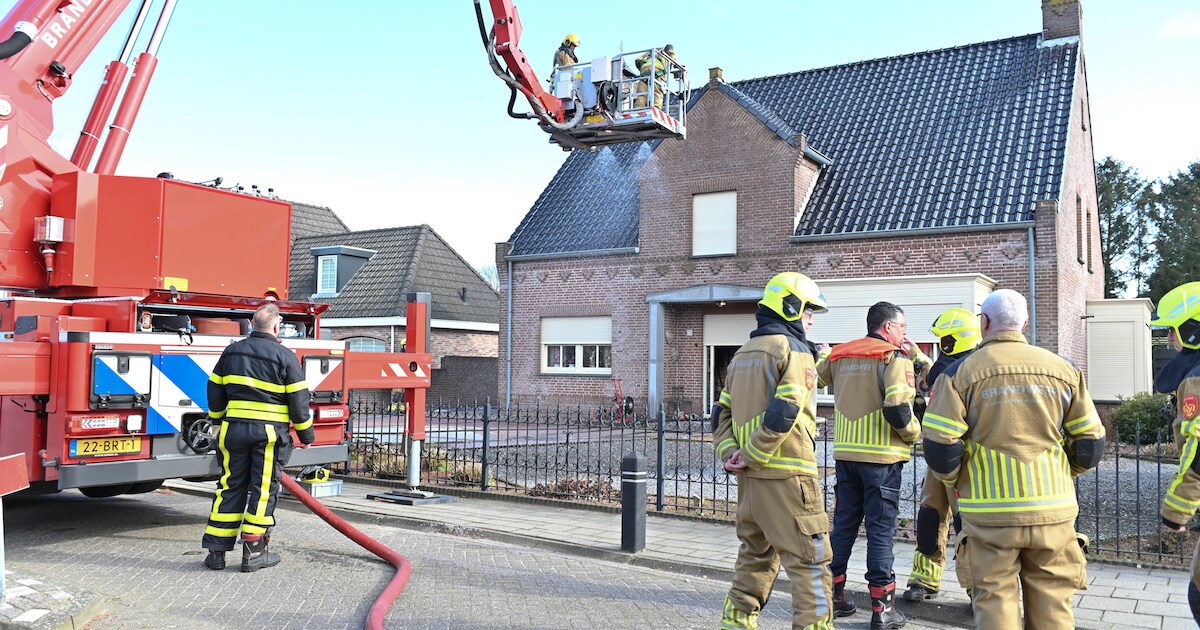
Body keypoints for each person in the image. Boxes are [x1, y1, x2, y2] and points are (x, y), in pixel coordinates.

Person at [923, 289, 1104, 629]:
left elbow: (939, 447)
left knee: (994, 605)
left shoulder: (959, 374)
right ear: (1025, 323)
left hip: (989, 516)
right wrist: (1062, 472)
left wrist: (956, 481)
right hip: (1054, 513)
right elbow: (1091, 444)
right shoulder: (1064, 371)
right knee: (1054, 610)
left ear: (984, 323)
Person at [714, 272, 835, 630]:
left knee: (754, 557)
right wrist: (751, 454)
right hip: (788, 480)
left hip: (749, 484)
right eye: (809, 309)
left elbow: (720, 413)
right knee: (810, 562)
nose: (811, 318)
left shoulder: (741, 354)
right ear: (791, 307)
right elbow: (786, 410)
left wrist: (731, 454)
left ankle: (735, 623)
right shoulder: (792, 350)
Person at [817, 301, 925, 629]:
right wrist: (914, 435)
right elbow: (897, 407)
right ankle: (883, 609)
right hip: (881, 458)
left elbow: (820, 376)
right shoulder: (893, 358)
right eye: (902, 328)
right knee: (880, 531)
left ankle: (834, 597)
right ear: (888, 327)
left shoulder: (841, 353)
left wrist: (824, 353)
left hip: (846, 455)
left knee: (844, 526)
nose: (905, 334)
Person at [201, 303, 314, 572]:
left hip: (232, 431)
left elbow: (215, 389)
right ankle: (253, 552)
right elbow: (299, 400)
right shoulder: (285, 356)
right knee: (262, 490)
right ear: (276, 327)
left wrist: (216, 422)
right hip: (267, 434)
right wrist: (305, 434)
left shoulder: (231, 351)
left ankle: (216, 552)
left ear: (252, 325)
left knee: (230, 486)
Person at [903, 308, 980, 602]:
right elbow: (929, 382)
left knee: (966, 524)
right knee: (929, 517)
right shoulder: (946, 365)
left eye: (945, 339)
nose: (941, 343)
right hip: (937, 457)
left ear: (958, 339)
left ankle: (977, 588)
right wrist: (915, 356)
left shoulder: (975, 368)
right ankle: (924, 579)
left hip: (966, 460)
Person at [1154, 282, 1200, 624]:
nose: (1170, 338)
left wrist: (1176, 512)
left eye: (1173, 330)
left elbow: (1197, 455)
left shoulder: (1196, 381)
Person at [634, 44, 677, 109]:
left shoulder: (650, 53)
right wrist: (675, 63)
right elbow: (671, 54)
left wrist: (642, 68)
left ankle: (638, 107)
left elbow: (637, 60)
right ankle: (656, 107)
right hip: (657, 70)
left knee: (642, 93)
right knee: (657, 91)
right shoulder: (664, 52)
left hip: (644, 70)